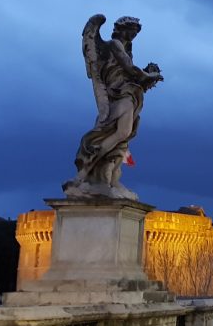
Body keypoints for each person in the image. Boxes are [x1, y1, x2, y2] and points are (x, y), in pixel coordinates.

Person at [65, 15, 163, 199]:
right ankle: (87, 169)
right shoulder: (114, 45)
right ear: (122, 30)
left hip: (129, 93)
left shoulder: (125, 49)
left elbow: (131, 74)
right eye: (131, 32)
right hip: (118, 93)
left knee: (123, 136)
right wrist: (149, 76)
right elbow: (130, 69)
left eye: (135, 33)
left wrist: (147, 77)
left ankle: (108, 177)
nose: (133, 36)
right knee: (121, 133)